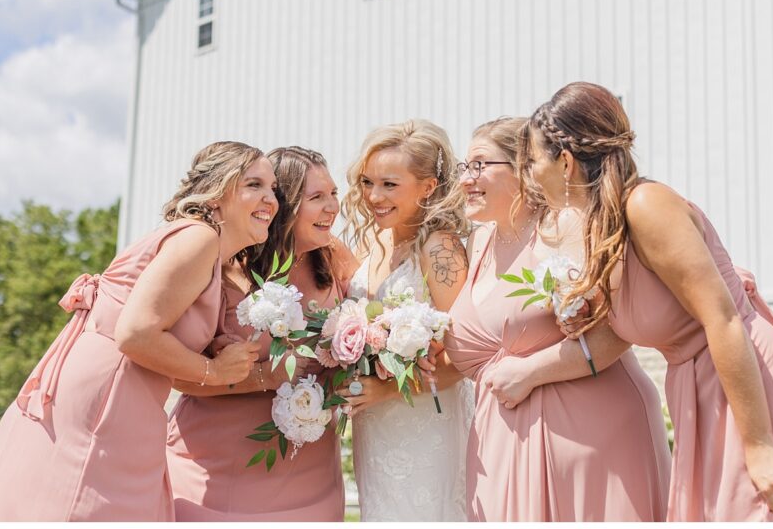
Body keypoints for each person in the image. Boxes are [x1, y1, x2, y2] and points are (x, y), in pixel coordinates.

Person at [521, 82, 773, 521]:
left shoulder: (647, 205)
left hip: (756, 392)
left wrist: (760, 443)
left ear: (566, 162)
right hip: (701, 397)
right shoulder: (604, 228)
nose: (531, 174)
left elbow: (722, 319)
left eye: (533, 160)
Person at [0, 141, 272, 521]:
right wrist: (215, 372)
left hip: (118, 397)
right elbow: (136, 334)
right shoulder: (199, 238)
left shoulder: (200, 247)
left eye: (272, 188)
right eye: (254, 184)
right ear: (218, 191)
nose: (270, 199)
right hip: (108, 400)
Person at [444, 116, 671, 521]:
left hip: (589, 432)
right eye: (464, 167)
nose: (465, 179)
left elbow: (619, 328)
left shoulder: (566, 225)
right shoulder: (477, 242)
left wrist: (530, 372)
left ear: (525, 167)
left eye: (480, 165)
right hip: (499, 441)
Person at [166, 146, 355, 521]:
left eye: (334, 194)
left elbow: (368, 324)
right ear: (283, 204)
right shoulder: (228, 265)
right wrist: (261, 377)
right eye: (317, 197)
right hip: (218, 469)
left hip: (310, 472)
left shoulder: (333, 256)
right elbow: (179, 375)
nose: (333, 207)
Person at [339, 119, 473, 521]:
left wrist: (386, 390)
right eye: (367, 182)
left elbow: (465, 357)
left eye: (389, 185)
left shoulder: (440, 248)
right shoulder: (372, 241)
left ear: (428, 186)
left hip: (425, 419)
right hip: (374, 427)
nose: (373, 196)